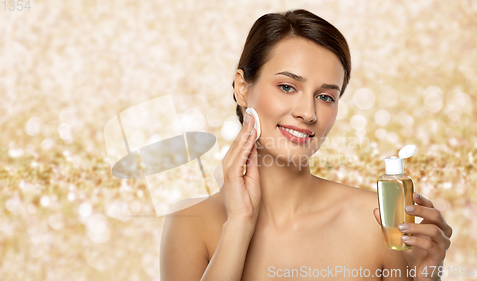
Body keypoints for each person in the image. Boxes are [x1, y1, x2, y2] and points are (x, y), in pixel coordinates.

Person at [160, 9, 452, 281]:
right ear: (242, 88)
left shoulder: (376, 223)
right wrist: (239, 223)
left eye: (326, 97)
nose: (308, 113)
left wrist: (425, 277)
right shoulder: (190, 223)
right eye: (287, 87)